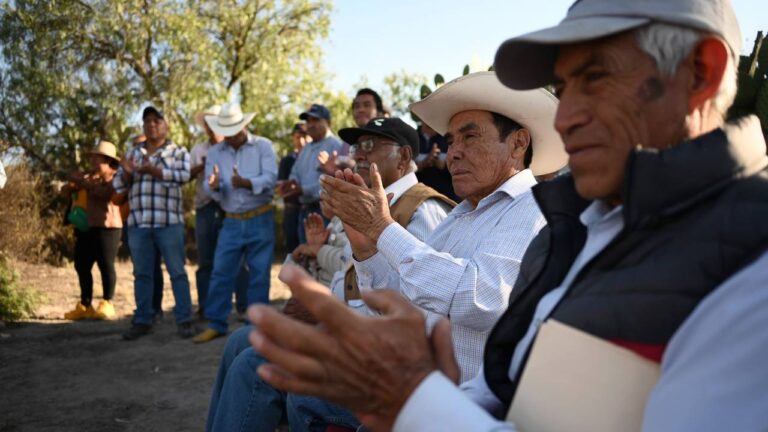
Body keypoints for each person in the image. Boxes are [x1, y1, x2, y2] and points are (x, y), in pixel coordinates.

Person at [246, 0, 768, 430]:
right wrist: (369, 247)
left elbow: (477, 304)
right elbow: (514, 390)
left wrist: (415, 399)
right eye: (564, 91)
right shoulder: (590, 226)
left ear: (700, 72)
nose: (566, 118)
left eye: (595, 77)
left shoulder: (751, 267)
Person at [204, 117, 453, 432]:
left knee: (253, 364)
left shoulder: (423, 209)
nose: (358, 154)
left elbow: (422, 306)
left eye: (370, 145)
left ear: (404, 157)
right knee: (242, 340)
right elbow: (346, 275)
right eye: (357, 145)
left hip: (381, 357)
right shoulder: (366, 202)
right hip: (350, 333)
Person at [192, 103, 277, 343]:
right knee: (221, 272)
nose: (231, 135)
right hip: (230, 220)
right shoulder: (217, 152)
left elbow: (271, 177)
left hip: (260, 216)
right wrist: (214, 185)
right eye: (226, 130)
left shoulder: (263, 146)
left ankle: (256, 326)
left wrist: (247, 183)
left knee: (259, 274)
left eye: (235, 129)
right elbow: (210, 186)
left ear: (245, 125)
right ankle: (216, 323)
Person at [114, 106, 195, 340]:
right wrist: (128, 173)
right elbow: (119, 186)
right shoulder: (132, 154)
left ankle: (184, 319)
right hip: (139, 223)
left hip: (169, 223)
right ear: (143, 126)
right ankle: (142, 320)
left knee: (177, 272)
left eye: (156, 121)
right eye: (147, 121)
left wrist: (155, 171)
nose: (151, 125)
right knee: (142, 273)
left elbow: (184, 176)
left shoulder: (178, 151)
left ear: (166, 125)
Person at [190, 104, 249, 319]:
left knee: (239, 260)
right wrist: (204, 167)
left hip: (232, 209)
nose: (210, 126)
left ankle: (243, 306)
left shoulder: (238, 148)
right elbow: (188, 175)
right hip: (205, 207)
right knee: (206, 260)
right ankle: (206, 307)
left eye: (214, 122)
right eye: (207, 122)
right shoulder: (198, 150)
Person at [63, 141, 123, 320]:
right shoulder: (87, 176)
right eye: (92, 157)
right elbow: (66, 192)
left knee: (106, 264)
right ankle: (85, 304)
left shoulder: (115, 177)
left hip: (108, 226)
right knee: (81, 264)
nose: (92, 160)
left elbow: (105, 194)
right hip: (85, 226)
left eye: (96, 157)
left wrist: (82, 182)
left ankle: (107, 302)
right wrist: (71, 185)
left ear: (107, 160)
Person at [278, 104, 342, 244]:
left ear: (328, 122)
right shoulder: (306, 147)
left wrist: (302, 189)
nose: (311, 125)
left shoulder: (336, 146)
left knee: (324, 257)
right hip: (305, 210)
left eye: (316, 120)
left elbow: (332, 182)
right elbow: (295, 171)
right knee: (306, 258)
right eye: (308, 121)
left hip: (325, 211)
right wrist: (291, 183)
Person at [318, 88, 386, 175]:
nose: (361, 109)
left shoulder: (387, 141)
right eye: (357, 106)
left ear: (379, 112)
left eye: (367, 105)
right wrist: (334, 171)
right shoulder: (346, 143)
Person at [278, 122, 311, 254]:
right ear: (293, 138)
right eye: (298, 137)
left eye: (305, 137)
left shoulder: (314, 158)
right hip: (292, 210)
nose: (301, 141)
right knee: (293, 249)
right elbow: (281, 188)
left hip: (310, 209)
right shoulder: (287, 160)